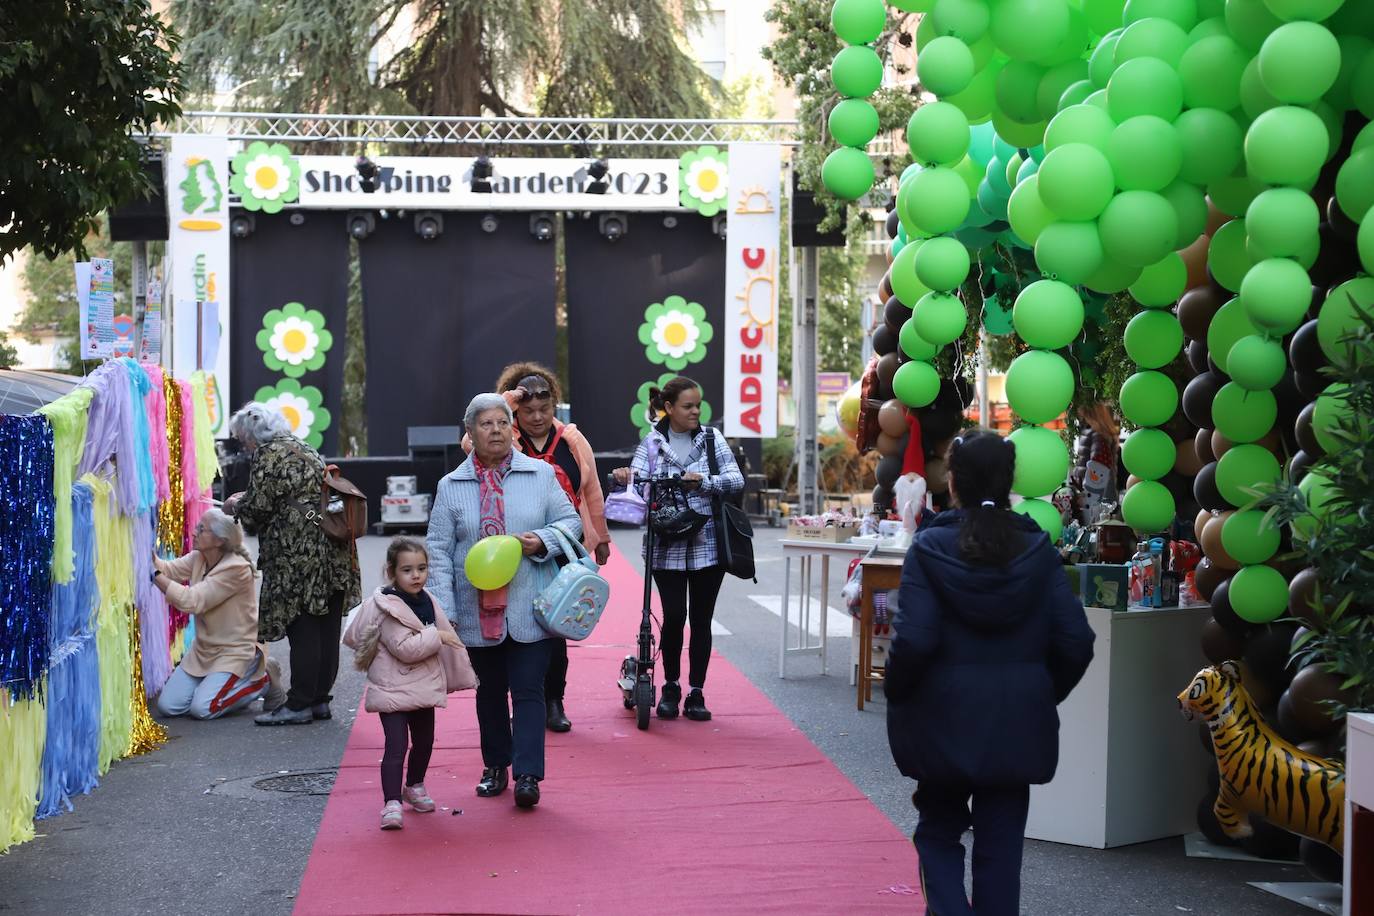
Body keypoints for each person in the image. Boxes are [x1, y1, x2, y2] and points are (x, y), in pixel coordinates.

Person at [884, 429, 1096, 916]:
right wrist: (1040, 690)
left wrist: (900, 695)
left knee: (938, 832)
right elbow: (1075, 641)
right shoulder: (1037, 549)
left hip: (941, 716)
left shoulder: (930, 547)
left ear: (951, 480)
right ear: (1009, 482)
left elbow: (913, 640)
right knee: (1002, 847)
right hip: (1017, 719)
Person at [427, 393, 582, 809]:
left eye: (501, 423)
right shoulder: (451, 485)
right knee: (490, 691)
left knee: (529, 688)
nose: (495, 431)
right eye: (485, 424)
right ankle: (495, 766)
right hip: (474, 607)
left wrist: (542, 541)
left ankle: (528, 774)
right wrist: (445, 611)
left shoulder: (540, 475)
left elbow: (571, 522)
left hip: (531, 603)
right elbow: (438, 551)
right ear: (470, 433)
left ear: (511, 429)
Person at [612, 376, 743, 722]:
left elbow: (736, 479)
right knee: (673, 618)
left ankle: (696, 692)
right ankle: (670, 686)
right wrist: (626, 478)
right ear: (668, 408)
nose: (695, 411)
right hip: (666, 546)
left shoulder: (712, 439)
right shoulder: (652, 443)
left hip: (708, 545)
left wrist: (706, 481)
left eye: (698, 405)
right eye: (688, 406)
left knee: (701, 621)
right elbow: (639, 489)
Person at [223, 403, 361, 726]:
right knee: (326, 628)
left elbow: (257, 509)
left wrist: (235, 505)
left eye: (243, 439)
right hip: (332, 549)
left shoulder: (268, 455)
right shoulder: (302, 447)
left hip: (298, 556)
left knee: (304, 629)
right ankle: (319, 701)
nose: (244, 446)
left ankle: (298, 703)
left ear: (252, 435)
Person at [492, 362, 610, 734]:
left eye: (546, 409)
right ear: (516, 410)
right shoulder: (503, 437)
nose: (538, 417)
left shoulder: (572, 440)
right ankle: (526, 700)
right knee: (517, 627)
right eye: (528, 411)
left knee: (557, 627)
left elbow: (590, 491)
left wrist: (602, 538)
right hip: (516, 547)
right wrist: (502, 405)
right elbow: (469, 445)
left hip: (565, 545)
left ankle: (554, 701)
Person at [343, 537, 477, 831]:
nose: (416, 575)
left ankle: (414, 785)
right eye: (407, 570)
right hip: (392, 686)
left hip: (421, 686)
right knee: (396, 745)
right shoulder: (389, 607)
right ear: (391, 571)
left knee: (425, 741)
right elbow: (405, 649)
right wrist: (438, 637)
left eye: (421, 568)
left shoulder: (428, 600)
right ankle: (391, 801)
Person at [152, 509, 270, 719]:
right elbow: (168, 569)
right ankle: (221, 686)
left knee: (203, 708)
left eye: (201, 529)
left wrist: (154, 575)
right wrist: (145, 552)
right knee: (168, 706)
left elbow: (191, 601)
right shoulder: (200, 557)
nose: (195, 532)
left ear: (219, 540)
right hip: (204, 650)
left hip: (234, 651)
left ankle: (261, 681)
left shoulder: (237, 568)